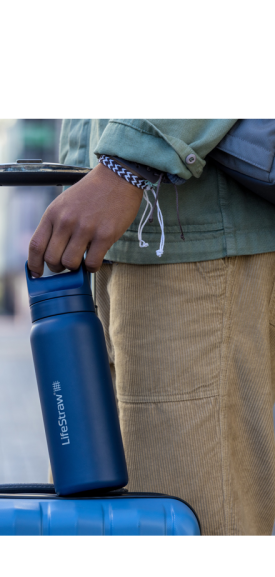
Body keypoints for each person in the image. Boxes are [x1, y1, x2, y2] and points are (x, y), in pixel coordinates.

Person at [28, 119, 275, 535]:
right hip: (118, 240)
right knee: (104, 521)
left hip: (185, 238)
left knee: (188, 520)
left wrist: (125, 163)